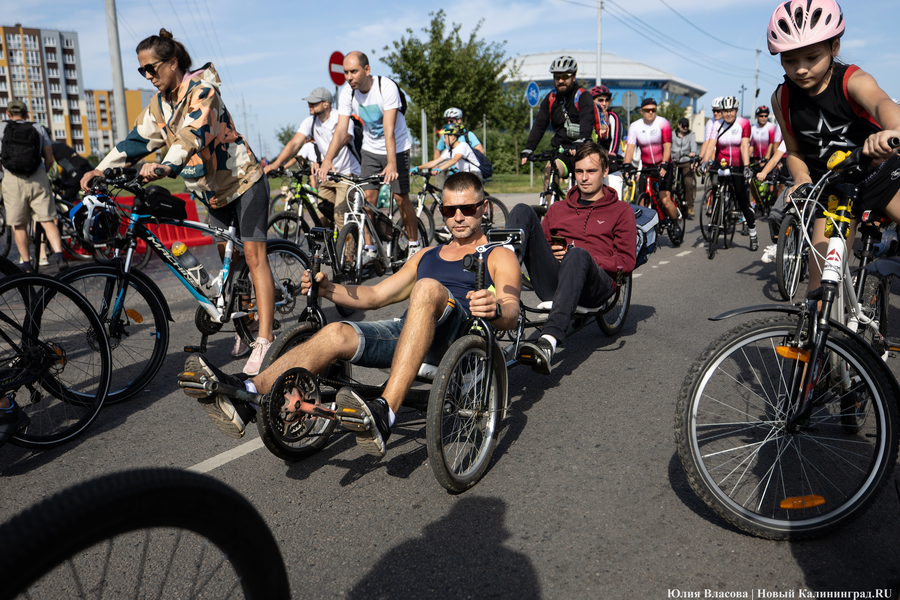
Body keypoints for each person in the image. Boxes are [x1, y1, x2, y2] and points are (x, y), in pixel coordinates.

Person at [177, 172, 521, 457]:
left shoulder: (497, 254)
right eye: (449, 210)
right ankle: (248, 395)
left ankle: (385, 412)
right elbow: (373, 296)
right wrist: (327, 289)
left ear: (483, 208)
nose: (458, 217)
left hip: (459, 333)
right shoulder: (427, 255)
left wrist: (495, 310)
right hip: (411, 332)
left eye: (467, 209)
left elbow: (511, 312)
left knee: (428, 288)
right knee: (337, 331)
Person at [79, 29, 275, 375]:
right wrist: (100, 168)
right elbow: (136, 140)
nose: (148, 76)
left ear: (172, 63)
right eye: (142, 71)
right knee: (227, 263)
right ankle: (243, 320)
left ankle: (264, 338)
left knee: (253, 256)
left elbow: (191, 134)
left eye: (152, 68)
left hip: (244, 182)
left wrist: (167, 165)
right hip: (212, 193)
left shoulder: (203, 91)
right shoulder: (160, 104)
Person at [767, 0, 900, 293]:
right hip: (833, 195)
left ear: (834, 47)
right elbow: (794, 152)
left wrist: (892, 131)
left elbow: (883, 105)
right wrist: (801, 178)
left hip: (879, 179)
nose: (800, 70)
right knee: (818, 293)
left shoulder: (853, 80)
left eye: (811, 57)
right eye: (789, 61)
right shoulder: (781, 99)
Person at [509, 142, 636, 375]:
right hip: (554, 282)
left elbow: (626, 264)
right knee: (521, 210)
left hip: (595, 286)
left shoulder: (621, 211)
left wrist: (581, 253)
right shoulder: (558, 208)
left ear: (605, 171)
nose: (584, 178)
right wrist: (554, 251)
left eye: (591, 171)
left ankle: (548, 341)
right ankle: (500, 280)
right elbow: (542, 245)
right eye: (579, 172)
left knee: (577, 254)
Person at [316, 51, 420, 257]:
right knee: (366, 200)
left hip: (397, 148)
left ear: (367, 70)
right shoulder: (347, 93)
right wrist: (327, 160)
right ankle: (370, 248)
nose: (349, 77)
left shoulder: (386, 87)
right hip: (371, 150)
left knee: (400, 198)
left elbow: (389, 129)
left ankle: (415, 243)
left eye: (353, 71)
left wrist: (391, 163)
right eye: (346, 72)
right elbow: (341, 130)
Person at [264, 87, 360, 234]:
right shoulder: (311, 122)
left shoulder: (340, 119)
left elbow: (344, 138)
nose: (309, 105)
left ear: (326, 104)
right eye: (309, 102)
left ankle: (348, 256)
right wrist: (276, 164)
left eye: (313, 103)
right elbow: (294, 144)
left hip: (347, 175)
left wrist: (327, 160)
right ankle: (332, 253)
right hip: (326, 176)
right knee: (322, 218)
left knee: (340, 216)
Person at [0, 99, 67, 273]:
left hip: (12, 178)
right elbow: (50, 158)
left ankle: (27, 265)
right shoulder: (39, 128)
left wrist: (5, 172)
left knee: (19, 225)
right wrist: (41, 172)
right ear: (27, 114)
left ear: (8, 114)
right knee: (47, 219)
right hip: (38, 177)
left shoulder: (1, 128)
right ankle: (59, 256)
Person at [520, 56, 596, 190]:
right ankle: (550, 209)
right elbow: (540, 124)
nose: (561, 80)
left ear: (573, 77)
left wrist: (582, 139)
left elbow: (587, 120)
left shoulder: (583, 96)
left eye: (565, 76)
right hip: (562, 151)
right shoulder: (550, 99)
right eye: (557, 77)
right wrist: (529, 148)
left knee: (586, 185)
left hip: (583, 150)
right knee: (550, 170)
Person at [699, 95, 758, 250]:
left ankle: (752, 232)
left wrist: (746, 167)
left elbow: (744, 147)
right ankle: (717, 212)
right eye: (725, 111)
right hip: (721, 162)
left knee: (743, 200)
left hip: (738, 164)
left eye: (731, 110)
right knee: (715, 188)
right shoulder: (716, 124)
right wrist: (705, 162)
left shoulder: (743, 123)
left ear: (736, 110)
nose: (728, 114)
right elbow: (711, 144)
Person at [623, 98, 682, 244]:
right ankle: (643, 230)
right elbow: (630, 147)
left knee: (665, 199)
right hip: (647, 166)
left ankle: (675, 223)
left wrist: (664, 163)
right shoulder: (635, 126)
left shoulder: (663, 123)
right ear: (641, 111)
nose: (651, 113)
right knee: (641, 200)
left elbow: (667, 146)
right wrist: (626, 164)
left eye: (653, 110)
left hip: (663, 164)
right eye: (647, 110)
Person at [416, 124, 482, 179]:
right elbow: (435, 162)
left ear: (453, 136)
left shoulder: (462, 145)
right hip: (464, 175)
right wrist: (418, 167)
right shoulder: (450, 151)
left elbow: (454, 160)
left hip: (474, 174)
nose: (444, 140)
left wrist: (440, 169)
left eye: (445, 137)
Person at [671, 117, 697, 218]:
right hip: (674, 161)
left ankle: (690, 207)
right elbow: (668, 144)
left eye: (686, 127)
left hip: (686, 160)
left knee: (688, 182)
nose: (685, 129)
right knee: (670, 181)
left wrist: (693, 153)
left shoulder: (691, 134)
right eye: (683, 127)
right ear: (679, 125)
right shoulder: (673, 134)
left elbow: (693, 145)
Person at [588, 85, 621, 162]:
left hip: (609, 156)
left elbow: (616, 138)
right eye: (600, 100)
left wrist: (612, 154)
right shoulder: (588, 116)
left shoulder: (613, 116)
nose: (604, 103)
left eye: (607, 100)